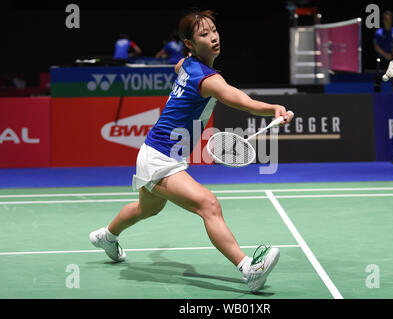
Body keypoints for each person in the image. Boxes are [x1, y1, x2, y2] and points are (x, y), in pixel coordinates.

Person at [89, 9, 293, 292]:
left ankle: (106, 236)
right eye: (203, 34)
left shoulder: (187, 64)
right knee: (209, 205)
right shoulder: (208, 79)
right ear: (189, 42)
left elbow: (179, 67)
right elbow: (240, 100)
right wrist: (273, 108)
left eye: (214, 30)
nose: (213, 37)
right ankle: (249, 269)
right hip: (160, 156)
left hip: (156, 151)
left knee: (145, 209)